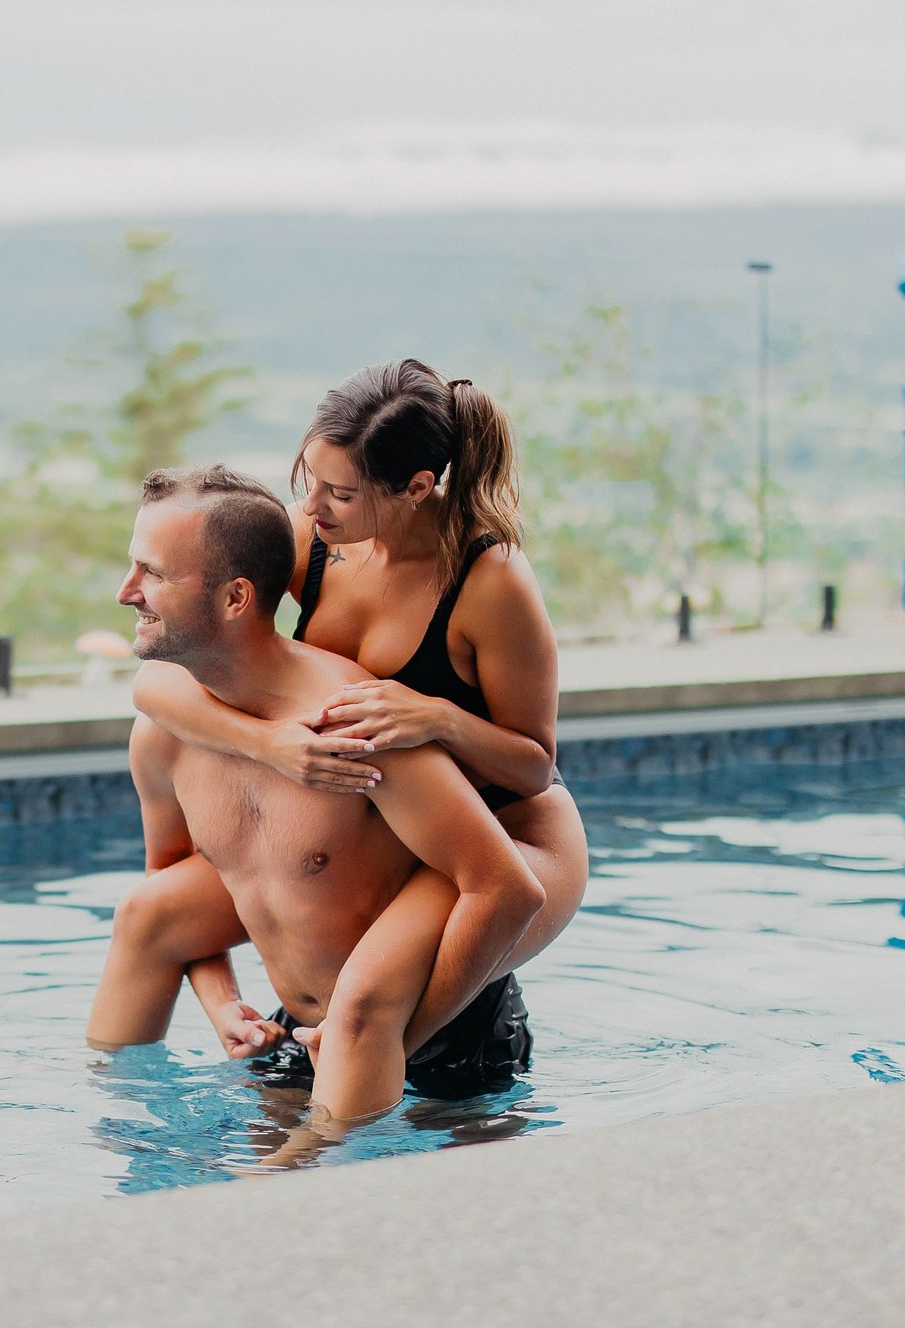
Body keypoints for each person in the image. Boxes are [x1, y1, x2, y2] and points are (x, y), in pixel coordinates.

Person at [93, 359, 589, 1075]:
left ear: (417, 488)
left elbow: (535, 764)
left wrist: (438, 717)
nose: (314, 505)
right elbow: (160, 682)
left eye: (341, 492)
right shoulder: (315, 536)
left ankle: (390, 1049)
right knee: (150, 913)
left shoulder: (490, 580)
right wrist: (268, 744)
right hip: (391, 814)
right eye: (310, 479)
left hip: (510, 829)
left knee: (364, 1022)